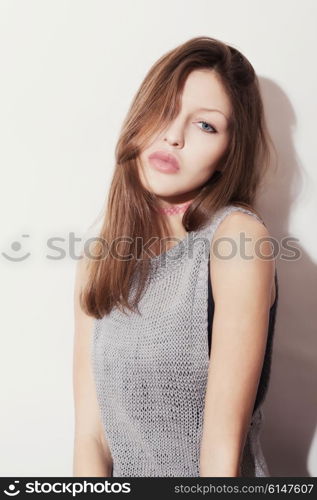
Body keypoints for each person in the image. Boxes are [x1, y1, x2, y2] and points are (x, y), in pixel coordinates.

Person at [72, 36, 279, 477]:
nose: (172, 135)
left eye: (205, 125)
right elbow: (92, 438)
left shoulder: (237, 240)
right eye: (164, 110)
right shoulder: (100, 255)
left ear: (229, 153)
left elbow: (223, 441)